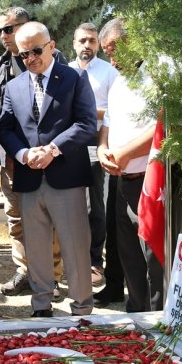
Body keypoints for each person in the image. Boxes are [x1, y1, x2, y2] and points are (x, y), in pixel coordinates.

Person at [0, 22, 97, 317]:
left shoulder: (75, 78)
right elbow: (5, 129)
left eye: (36, 51)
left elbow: (86, 123)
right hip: (29, 177)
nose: (30, 58)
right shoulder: (12, 87)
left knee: (75, 246)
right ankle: (41, 304)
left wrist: (53, 150)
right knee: (36, 247)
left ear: (52, 46)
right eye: (24, 54)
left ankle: (81, 306)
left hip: (66, 176)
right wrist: (25, 153)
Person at [0, 7, 69, 303]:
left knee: (52, 217)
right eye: (0, 31)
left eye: (9, 29)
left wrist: (48, 149)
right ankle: (25, 270)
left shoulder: (55, 63)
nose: (4, 36)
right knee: (17, 217)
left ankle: (54, 276)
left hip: (49, 157)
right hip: (14, 158)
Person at [96, 17, 163, 312]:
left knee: (155, 258)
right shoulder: (119, 81)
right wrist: (102, 149)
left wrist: (124, 153)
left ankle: (160, 318)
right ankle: (136, 311)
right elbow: (107, 125)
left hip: (153, 182)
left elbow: (167, 126)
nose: (112, 60)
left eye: (114, 50)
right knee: (129, 254)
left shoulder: (161, 72)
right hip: (123, 182)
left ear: (132, 40)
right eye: (107, 53)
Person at [68, 23, 120, 289]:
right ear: (74, 43)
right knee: (68, 203)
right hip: (68, 143)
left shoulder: (109, 72)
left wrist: (87, 112)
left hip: (98, 141)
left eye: (92, 41)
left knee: (94, 204)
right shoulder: (65, 72)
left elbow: (115, 108)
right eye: (82, 40)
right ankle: (71, 262)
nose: (87, 45)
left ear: (98, 45)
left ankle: (94, 262)